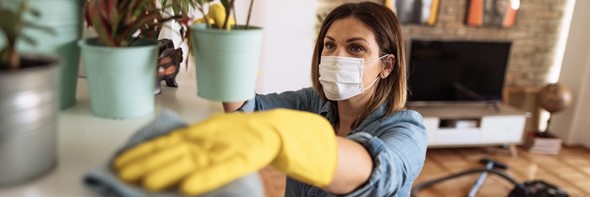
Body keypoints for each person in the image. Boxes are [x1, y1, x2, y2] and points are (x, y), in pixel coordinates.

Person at [112, 1, 428, 197]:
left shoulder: (408, 130)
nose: (335, 55)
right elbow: (245, 111)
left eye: (356, 48)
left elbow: (379, 170)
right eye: (329, 45)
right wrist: (227, 54)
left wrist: (285, 136)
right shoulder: (311, 103)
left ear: (387, 66)